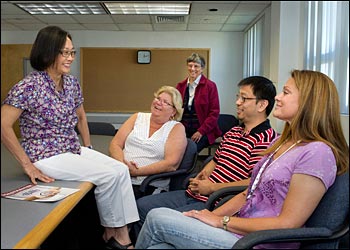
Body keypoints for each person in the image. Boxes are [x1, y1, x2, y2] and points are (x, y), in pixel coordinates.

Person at [135, 69, 349, 249]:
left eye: (285, 92)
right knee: (158, 245)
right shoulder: (286, 144)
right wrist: (208, 218)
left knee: (157, 217)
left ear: (308, 102)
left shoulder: (317, 153)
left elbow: (289, 222)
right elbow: (249, 193)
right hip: (241, 230)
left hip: (259, 242)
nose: (278, 98)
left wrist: (220, 221)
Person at [1, 26, 138, 249]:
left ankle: (113, 234)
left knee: (121, 170)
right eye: (64, 52)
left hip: (71, 148)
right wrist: (27, 165)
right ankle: (122, 239)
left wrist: (89, 147)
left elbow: (81, 116)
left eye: (72, 52)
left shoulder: (71, 83)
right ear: (48, 52)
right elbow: (3, 124)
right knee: (109, 175)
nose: (70, 58)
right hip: (45, 155)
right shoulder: (28, 86)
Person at [133, 76, 278, 238]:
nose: (237, 102)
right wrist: (202, 176)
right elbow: (216, 160)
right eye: (238, 97)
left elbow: (253, 183)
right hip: (196, 193)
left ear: (262, 105)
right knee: (141, 206)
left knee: (160, 221)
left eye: (244, 98)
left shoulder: (266, 140)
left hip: (215, 203)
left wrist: (212, 188)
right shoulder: (233, 132)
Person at [109, 85, 187, 199]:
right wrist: (123, 165)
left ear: (173, 111)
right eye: (158, 98)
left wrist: (137, 172)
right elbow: (115, 144)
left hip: (147, 185)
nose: (159, 103)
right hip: (120, 174)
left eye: (165, 102)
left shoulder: (176, 128)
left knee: (113, 201)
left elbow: (171, 164)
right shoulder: (137, 117)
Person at [176, 53, 221, 153]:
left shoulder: (210, 86)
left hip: (203, 130)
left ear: (202, 68)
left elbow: (214, 113)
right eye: (190, 65)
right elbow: (175, 109)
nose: (192, 69)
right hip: (183, 129)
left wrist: (201, 131)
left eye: (196, 66)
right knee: (176, 149)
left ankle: (189, 169)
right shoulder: (180, 86)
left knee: (190, 151)